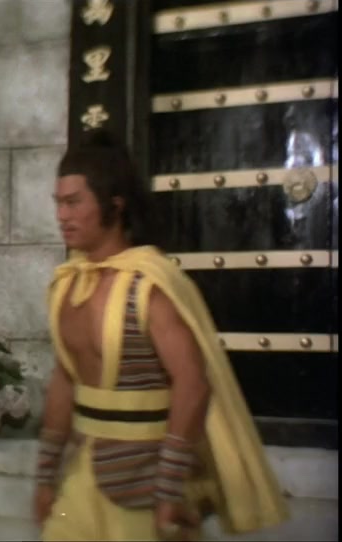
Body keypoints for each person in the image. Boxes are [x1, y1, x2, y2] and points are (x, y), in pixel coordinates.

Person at [34, 129, 288, 541]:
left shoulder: (148, 285)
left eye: (73, 202)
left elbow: (193, 383)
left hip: (146, 483)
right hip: (82, 477)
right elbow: (66, 377)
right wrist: (46, 475)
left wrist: (170, 485)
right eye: (58, 203)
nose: (62, 215)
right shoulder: (67, 285)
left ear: (114, 204)